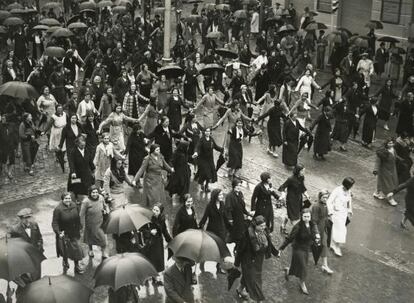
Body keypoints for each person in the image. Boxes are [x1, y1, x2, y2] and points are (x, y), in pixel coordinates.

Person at [235, 215, 278, 302]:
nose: (263, 228)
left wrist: (276, 253)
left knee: (250, 276)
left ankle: (239, 289)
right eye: (261, 226)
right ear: (255, 225)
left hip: (258, 261)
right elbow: (240, 249)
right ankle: (257, 299)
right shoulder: (247, 235)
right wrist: (237, 263)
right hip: (248, 261)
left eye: (264, 225)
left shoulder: (265, 232)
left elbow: (269, 244)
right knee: (255, 281)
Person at [278, 208, 320, 295]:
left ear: (310, 216)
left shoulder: (312, 224)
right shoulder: (298, 227)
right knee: (303, 267)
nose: (307, 218)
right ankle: (302, 284)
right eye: (305, 216)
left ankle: (289, 271)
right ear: (302, 217)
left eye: (308, 216)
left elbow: (315, 229)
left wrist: (317, 235)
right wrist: (281, 248)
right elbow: (290, 238)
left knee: (299, 265)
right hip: (298, 249)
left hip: (306, 249)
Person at [199, 188, 230, 274]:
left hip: (221, 230)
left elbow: (225, 217)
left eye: (222, 194)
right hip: (212, 231)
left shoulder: (222, 204)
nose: (221, 196)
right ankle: (202, 263)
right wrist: (200, 227)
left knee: (221, 250)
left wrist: (229, 227)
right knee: (208, 249)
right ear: (215, 196)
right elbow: (205, 217)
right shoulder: (210, 206)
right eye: (220, 195)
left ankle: (219, 267)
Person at [52, 192, 84, 274]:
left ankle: (77, 266)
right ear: (62, 199)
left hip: (74, 232)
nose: (68, 200)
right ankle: (65, 260)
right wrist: (58, 232)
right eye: (66, 198)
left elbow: (78, 217)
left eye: (69, 198)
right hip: (64, 233)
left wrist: (80, 226)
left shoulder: (74, 205)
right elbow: (54, 223)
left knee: (77, 249)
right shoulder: (58, 209)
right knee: (65, 250)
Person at [140, 203, 172, 286]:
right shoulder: (148, 218)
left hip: (158, 242)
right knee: (150, 260)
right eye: (153, 209)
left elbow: (164, 231)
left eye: (157, 210)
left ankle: (155, 278)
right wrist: (150, 232)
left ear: (160, 212)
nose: (154, 211)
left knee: (157, 260)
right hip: (150, 242)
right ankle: (147, 276)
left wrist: (170, 241)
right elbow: (141, 230)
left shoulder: (162, 219)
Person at [326, 177, 354, 257]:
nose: (351, 187)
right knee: (338, 230)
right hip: (336, 214)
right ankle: (336, 247)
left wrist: (350, 210)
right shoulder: (337, 190)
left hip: (343, 214)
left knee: (341, 231)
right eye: (350, 185)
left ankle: (333, 245)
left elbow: (349, 201)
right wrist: (330, 212)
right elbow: (329, 201)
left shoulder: (348, 191)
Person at [278, 164, 310, 234]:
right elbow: (282, 187)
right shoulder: (291, 179)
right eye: (302, 171)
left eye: (304, 171)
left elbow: (302, 187)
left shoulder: (302, 177)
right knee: (294, 217)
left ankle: (283, 226)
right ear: (298, 171)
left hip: (298, 199)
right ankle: (296, 234)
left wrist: (306, 194)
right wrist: (283, 194)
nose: (303, 172)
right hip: (291, 200)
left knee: (289, 213)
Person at [79, 186, 109, 259]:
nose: (95, 194)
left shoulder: (101, 198)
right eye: (93, 193)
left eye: (96, 192)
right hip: (90, 224)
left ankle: (103, 253)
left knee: (103, 240)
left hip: (100, 223)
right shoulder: (86, 201)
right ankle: (90, 250)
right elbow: (81, 214)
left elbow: (105, 206)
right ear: (90, 193)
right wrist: (82, 225)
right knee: (89, 238)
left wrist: (106, 211)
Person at [193, 128, 224, 192]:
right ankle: (202, 184)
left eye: (209, 131)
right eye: (206, 131)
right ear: (204, 132)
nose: (208, 132)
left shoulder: (211, 139)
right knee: (205, 173)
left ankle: (207, 186)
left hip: (210, 159)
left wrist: (222, 149)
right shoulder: (202, 140)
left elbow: (216, 147)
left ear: (210, 132)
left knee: (210, 174)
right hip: (203, 159)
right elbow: (197, 147)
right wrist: (196, 152)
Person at [225, 179, 254, 248]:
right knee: (232, 234)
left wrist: (248, 214)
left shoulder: (240, 193)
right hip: (233, 219)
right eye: (237, 185)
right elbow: (228, 209)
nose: (239, 187)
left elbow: (242, 206)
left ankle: (236, 247)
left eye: (240, 186)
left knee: (240, 233)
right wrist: (230, 220)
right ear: (233, 186)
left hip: (240, 218)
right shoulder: (229, 196)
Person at [311, 190, 333, 274]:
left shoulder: (325, 205)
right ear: (320, 197)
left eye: (327, 197)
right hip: (316, 230)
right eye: (324, 197)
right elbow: (314, 221)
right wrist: (316, 233)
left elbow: (325, 217)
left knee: (324, 246)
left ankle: (325, 265)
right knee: (309, 247)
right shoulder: (316, 206)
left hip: (322, 230)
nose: (325, 199)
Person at [68, 136, 95, 201]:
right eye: (81, 145)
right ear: (77, 144)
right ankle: (77, 199)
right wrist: (73, 172)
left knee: (88, 187)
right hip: (77, 173)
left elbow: (90, 161)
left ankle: (88, 199)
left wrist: (93, 170)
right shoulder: (73, 152)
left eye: (84, 145)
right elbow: (71, 163)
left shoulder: (87, 150)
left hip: (86, 172)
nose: (83, 146)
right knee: (76, 187)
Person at [373, 139, 399, 206]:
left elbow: (395, 157)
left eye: (392, 143)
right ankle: (390, 199)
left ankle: (377, 192)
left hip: (392, 169)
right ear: (386, 144)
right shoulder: (382, 152)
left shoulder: (393, 150)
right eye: (389, 143)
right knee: (388, 184)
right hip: (384, 170)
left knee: (387, 182)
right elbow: (377, 161)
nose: (391, 144)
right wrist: (375, 169)